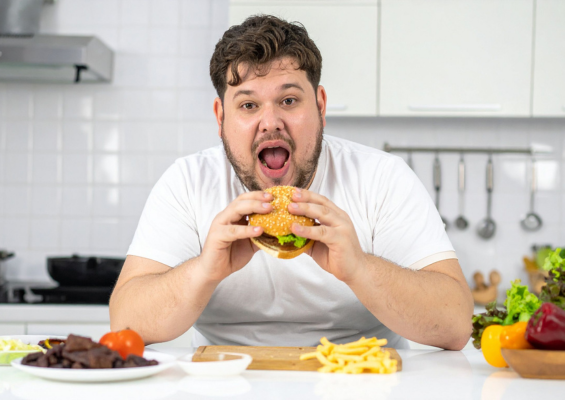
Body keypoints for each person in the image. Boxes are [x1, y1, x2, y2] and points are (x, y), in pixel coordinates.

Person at [110, 15, 473, 350]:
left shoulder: (382, 177)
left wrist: (361, 268)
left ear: (320, 106)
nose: (270, 122)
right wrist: (205, 270)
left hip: (359, 379)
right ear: (220, 117)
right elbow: (125, 322)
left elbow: (456, 325)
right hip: (228, 381)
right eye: (248, 106)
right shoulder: (187, 182)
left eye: (288, 100)